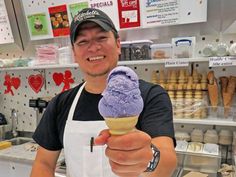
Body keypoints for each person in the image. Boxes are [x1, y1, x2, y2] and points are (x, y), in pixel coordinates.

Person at [30, 8, 177, 177]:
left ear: (118, 44)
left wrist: (150, 160)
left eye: (101, 37)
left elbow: (167, 159)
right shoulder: (61, 103)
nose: (93, 47)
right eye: (82, 42)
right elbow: (43, 163)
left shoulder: (151, 95)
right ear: (74, 54)